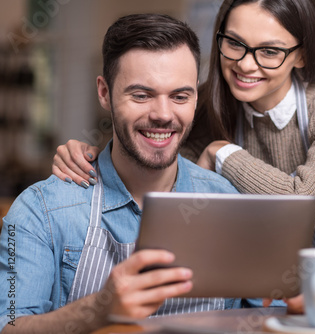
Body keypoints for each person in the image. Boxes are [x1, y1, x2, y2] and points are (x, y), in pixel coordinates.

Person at [51, 0, 315, 309]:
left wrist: (222, 151)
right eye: (234, 43)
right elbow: (150, 141)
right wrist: (88, 152)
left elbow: (303, 205)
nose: (245, 64)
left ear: (302, 54)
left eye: (270, 51)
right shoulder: (210, 104)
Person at [0, 13, 263, 334]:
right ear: (104, 93)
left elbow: (268, 315)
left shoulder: (229, 203)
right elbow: (7, 324)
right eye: (141, 95)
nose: (163, 115)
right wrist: (98, 309)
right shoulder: (38, 211)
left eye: (180, 96)